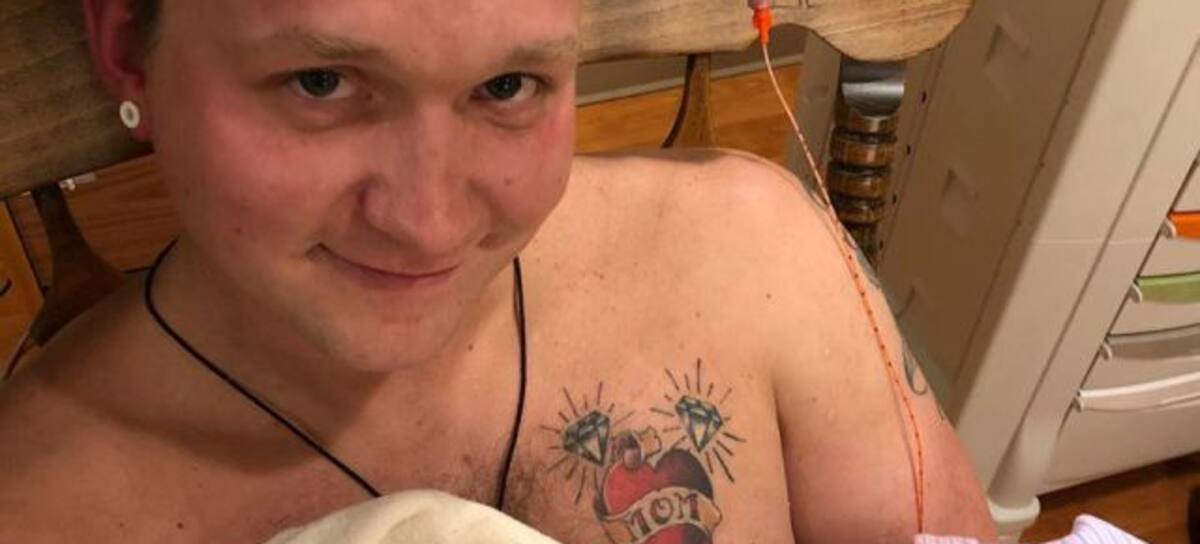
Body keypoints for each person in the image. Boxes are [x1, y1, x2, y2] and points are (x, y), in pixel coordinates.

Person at [0, 0, 998, 542]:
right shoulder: (39, 507)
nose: (429, 224)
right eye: (321, 82)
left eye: (508, 85)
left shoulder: (754, 259)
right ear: (128, 45)